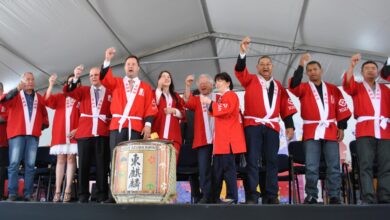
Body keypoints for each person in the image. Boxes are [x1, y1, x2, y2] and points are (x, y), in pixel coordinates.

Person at [235, 37, 297, 204]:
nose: (265, 66)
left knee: (272, 161)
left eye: (268, 64)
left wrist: (290, 125)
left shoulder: (278, 85)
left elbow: (285, 106)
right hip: (253, 126)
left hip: (272, 126)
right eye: (262, 64)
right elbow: (240, 71)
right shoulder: (250, 80)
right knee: (252, 161)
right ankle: (252, 196)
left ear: (272, 67)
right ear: (257, 68)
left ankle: (271, 195)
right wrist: (242, 53)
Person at [288, 54, 352, 204]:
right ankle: (311, 195)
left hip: (330, 128)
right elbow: (293, 85)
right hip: (312, 129)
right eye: (309, 70)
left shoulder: (332, 89)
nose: (312, 72)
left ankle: (335, 195)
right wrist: (300, 64)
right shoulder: (303, 88)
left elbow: (341, 107)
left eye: (315, 69)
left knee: (334, 165)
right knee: (311, 165)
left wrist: (341, 127)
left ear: (321, 70)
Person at [99, 47, 158, 203]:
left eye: (133, 64)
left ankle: (132, 194)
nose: (130, 66)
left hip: (136, 126)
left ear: (138, 67)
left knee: (134, 160)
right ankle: (114, 195)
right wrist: (107, 60)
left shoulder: (145, 87)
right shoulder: (117, 82)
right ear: (124, 67)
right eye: (128, 64)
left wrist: (148, 125)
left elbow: (151, 108)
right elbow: (105, 79)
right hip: (117, 126)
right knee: (116, 160)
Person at [343, 53, 390, 204]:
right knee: (365, 165)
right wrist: (352, 65)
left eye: (373, 68)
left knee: (386, 166)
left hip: (385, 131)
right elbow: (347, 82)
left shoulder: (386, 89)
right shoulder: (357, 87)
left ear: (378, 72)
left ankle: (385, 197)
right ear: (362, 72)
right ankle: (368, 197)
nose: (370, 70)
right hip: (365, 130)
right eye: (367, 68)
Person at [63, 67, 111, 203]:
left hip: (102, 131)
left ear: (100, 76)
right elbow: (68, 91)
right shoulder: (84, 91)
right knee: (83, 165)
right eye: (91, 76)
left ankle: (101, 194)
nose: (94, 77)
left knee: (102, 165)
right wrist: (76, 77)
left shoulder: (109, 92)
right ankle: (83, 195)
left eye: (96, 75)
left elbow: (112, 112)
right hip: (85, 132)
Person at [0, 72, 49, 201]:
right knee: (14, 164)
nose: (31, 82)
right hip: (17, 134)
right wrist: (16, 89)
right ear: (22, 81)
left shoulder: (39, 98)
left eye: (32, 79)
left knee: (30, 165)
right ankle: (12, 193)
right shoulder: (16, 95)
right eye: (28, 79)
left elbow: (45, 116)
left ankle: (28, 193)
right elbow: (3, 100)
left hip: (32, 135)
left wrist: (40, 126)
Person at [200, 72, 246, 204]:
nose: (218, 83)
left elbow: (226, 109)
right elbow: (213, 112)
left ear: (228, 83)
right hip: (221, 142)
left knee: (228, 171)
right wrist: (211, 103)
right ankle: (215, 198)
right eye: (217, 81)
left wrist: (209, 101)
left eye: (220, 80)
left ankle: (232, 197)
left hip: (228, 141)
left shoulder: (231, 95)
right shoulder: (221, 98)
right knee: (218, 171)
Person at [45, 67, 82, 202]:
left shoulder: (81, 98)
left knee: (71, 159)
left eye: (74, 81)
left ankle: (68, 189)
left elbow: (85, 116)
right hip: (60, 132)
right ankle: (57, 190)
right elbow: (47, 100)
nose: (70, 84)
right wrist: (50, 85)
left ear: (78, 84)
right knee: (61, 159)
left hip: (74, 133)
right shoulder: (60, 97)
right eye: (69, 81)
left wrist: (78, 129)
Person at [183, 74, 216, 204]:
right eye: (200, 84)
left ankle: (216, 196)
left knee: (218, 170)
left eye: (206, 83)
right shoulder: (197, 100)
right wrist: (187, 85)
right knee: (204, 169)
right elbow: (186, 100)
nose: (203, 85)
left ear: (212, 84)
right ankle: (206, 196)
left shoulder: (218, 98)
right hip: (202, 141)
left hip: (219, 140)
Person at [152, 71, 185, 161]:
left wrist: (174, 110)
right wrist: (159, 87)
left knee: (171, 166)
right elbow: (152, 105)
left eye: (168, 77)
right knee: (157, 165)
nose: (166, 78)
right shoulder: (154, 93)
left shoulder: (176, 96)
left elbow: (183, 113)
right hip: (156, 135)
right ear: (159, 80)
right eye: (163, 76)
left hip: (174, 137)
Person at [0, 82, 8, 200]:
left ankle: (1, 193)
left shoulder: (5, 101)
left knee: (2, 168)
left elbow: (4, 117)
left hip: (3, 141)